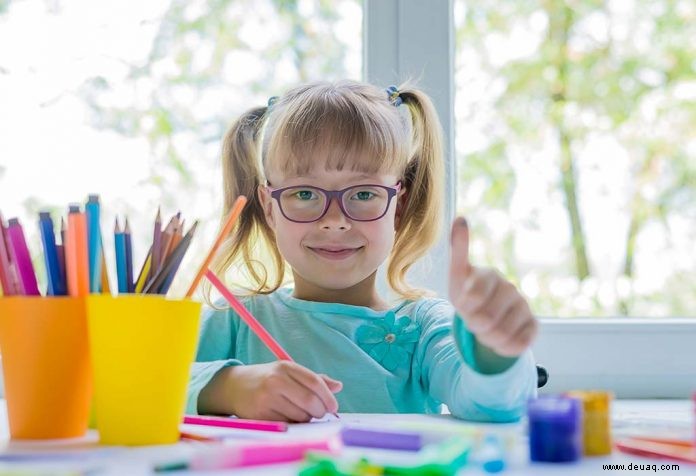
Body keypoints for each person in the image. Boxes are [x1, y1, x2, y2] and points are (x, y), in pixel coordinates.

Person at [186, 80, 538, 423]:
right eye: (305, 194)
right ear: (269, 208)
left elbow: (493, 405)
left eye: (365, 194)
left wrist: (494, 351)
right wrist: (228, 388)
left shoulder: (423, 326)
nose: (335, 221)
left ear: (397, 206)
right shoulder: (232, 322)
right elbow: (140, 387)